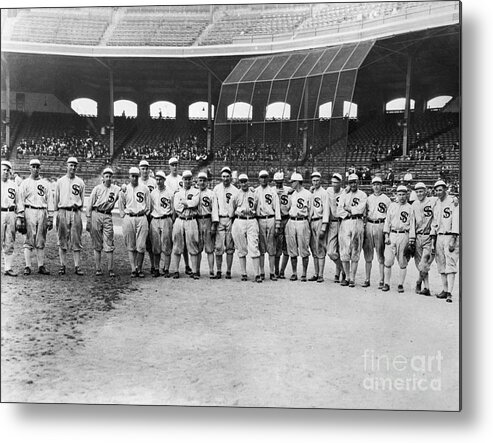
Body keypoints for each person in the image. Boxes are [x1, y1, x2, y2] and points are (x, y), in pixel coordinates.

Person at [17, 159, 54, 276]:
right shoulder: (25, 183)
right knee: (29, 239)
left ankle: (40, 265)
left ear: (40, 168)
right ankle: (27, 266)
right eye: (33, 166)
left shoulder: (45, 183)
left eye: (37, 167)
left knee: (41, 239)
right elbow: (20, 200)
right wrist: (21, 216)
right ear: (29, 168)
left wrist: (51, 217)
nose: (35, 169)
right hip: (29, 210)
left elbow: (50, 201)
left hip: (42, 211)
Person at [86, 167, 120, 277]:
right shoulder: (97, 189)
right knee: (97, 243)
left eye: (110, 176)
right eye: (106, 176)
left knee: (109, 241)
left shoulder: (115, 189)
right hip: (96, 213)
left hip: (107, 215)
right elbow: (89, 205)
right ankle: (98, 268)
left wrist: (124, 187)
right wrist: (88, 219)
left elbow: (124, 190)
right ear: (103, 178)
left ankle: (110, 269)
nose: (108, 178)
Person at [54, 157, 85, 276]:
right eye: (71, 165)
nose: (73, 167)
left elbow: (82, 199)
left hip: (75, 211)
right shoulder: (60, 181)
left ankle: (77, 266)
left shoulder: (80, 182)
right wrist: (56, 213)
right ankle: (62, 265)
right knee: (62, 239)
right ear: (66, 166)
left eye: (75, 165)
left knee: (76, 239)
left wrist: (79, 211)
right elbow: (56, 198)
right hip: (63, 211)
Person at [382, 185, 415, 293]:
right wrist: (386, 235)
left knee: (402, 261)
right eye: (399, 194)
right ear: (396, 195)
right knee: (388, 260)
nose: (401, 197)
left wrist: (411, 240)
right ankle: (386, 283)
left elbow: (412, 225)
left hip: (403, 234)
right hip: (392, 234)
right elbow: (387, 221)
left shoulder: (410, 208)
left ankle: (400, 284)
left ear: (407, 195)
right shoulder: (392, 206)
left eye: (403, 194)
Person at [337, 173, 367, 287]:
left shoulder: (362, 195)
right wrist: (348, 211)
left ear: (358, 182)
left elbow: (360, 209)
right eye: (351, 182)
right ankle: (347, 276)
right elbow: (339, 210)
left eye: (355, 182)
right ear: (348, 183)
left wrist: (349, 208)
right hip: (345, 222)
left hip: (357, 221)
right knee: (344, 251)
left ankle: (352, 278)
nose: (353, 184)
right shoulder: (344, 194)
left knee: (355, 250)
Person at [431, 180, 460, 302]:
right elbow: (434, 222)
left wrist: (454, 237)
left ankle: (450, 292)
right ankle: (444, 289)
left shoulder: (453, 201)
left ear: (445, 189)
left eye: (440, 189)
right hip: (439, 236)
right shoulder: (436, 203)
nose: (438, 192)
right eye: (436, 190)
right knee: (441, 263)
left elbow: (456, 220)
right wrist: (433, 239)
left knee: (450, 263)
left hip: (450, 235)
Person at [119, 166, 150, 278]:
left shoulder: (144, 188)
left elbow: (148, 204)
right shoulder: (125, 189)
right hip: (129, 216)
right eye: (132, 176)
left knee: (141, 246)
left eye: (136, 176)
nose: (135, 178)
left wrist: (144, 213)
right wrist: (124, 215)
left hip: (141, 216)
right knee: (131, 245)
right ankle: (133, 269)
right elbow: (121, 204)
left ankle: (139, 268)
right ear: (129, 177)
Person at [231, 173, 261, 282]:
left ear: (248, 181)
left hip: (251, 220)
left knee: (254, 246)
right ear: (239, 183)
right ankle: (243, 273)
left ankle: (257, 274)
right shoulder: (236, 194)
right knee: (241, 248)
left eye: (245, 181)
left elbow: (257, 207)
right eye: (241, 181)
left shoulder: (254, 193)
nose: (243, 183)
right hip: (239, 220)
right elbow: (232, 209)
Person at [170, 170, 200, 279]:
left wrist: (185, 202)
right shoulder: (177, 193)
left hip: (191, 219)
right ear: (182, 180)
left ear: (192, 180)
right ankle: (176, 270)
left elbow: (195, 203)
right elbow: (177, 207)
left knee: (192, 245)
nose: (187, 181)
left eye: (189, 179)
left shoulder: (196, 191)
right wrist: (188, 203)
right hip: (180, 219)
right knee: (177, 245)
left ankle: (195, 271)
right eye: (185, 179)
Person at [362, 176, 391, 288]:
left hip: (381, 224)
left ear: (381, 185)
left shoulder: (386, 199)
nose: (376, 186)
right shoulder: (368, 198)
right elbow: (364, 214)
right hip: (369, 224)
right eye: (374, 184)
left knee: (381, 254)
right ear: (371, 186)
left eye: (378, 184)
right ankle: (367, 279)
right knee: (368, 255)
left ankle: (381, 280)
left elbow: (389, 216)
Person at [212, 166, 238, 279]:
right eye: (223, 176)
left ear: (231, 177)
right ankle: (218, 271)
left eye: (227, 176)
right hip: (219, 219)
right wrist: (214, 222)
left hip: (230, 219)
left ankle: (228, 271)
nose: (225, 178)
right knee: (218, 247)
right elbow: (214, 207)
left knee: (230, 246)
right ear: (220, 177)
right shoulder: (216, 189)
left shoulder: (235, 190)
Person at [285, 172, 312, 282]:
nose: (291, 184)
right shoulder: (292, 193)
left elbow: (310, 211)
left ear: (298, 182)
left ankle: (304, 273)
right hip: (292, 220)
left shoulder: (307, 194)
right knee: (292, 248)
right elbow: (287, 207)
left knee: (304, 248)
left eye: (293, 182)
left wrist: (306, 222)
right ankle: (294, 272)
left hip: (302, 221)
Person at [255, 170, 281, 281]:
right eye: (262, 177)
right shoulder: (255, 191)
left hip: (271, 218)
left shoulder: (272, 191)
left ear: (268, 179)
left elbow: (277, 208)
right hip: (260, 219)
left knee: (271, 247)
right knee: (261, 247)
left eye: (265, 177)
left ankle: (271, 272)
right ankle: (261, 272)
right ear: (259, 178)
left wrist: (277, 224)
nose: (264, 179)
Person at [149, 170, 175, 278]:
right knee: (156, 246)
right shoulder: (153, 193)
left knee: (167, 245)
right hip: (155, 219)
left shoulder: (170, 192)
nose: (158, 181)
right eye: (157, 179)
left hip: (166, 218)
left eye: (160, 179)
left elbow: (173, 208)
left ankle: (166, 268)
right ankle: (156, 268)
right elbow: (150, 208)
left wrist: (171, 221)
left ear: (164, 180)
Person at [308, 171, 329, 283]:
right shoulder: (313, 192)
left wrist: (324, 226)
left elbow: (326, 210)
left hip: (320, 220)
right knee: (314, 248)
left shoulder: (324, 193)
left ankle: (321, 274)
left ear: (320, 181)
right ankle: (316, 273)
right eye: (313, 180)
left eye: (317, 180)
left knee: (320, 248)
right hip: (312, 221)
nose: (315, 182)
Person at [138, 159, 158, 275]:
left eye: (146, 168)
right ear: (140, 169)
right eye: (143, 168)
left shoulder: (153, 182)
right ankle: (138, 266)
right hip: (141, 215)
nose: (145, 171)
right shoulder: (137, 181)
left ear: (149, 170)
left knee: (151, 242)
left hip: (151, 215)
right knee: (140, 242)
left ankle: (153, 265)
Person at [196, 171, 217, 278]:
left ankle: (211, 270)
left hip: (208, 219)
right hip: (197, 220)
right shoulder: (194, 192)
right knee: (198, 247)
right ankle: (197, 270)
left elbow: (214, 210)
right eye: (200, 180)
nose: (202, 182)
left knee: (209, 248)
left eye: (204, 180)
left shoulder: (211, 193)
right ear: (197, 182)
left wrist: (214, 224)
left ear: (207, 182)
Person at [1, 160, 19, 276]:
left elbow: (19, 202)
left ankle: (8, 268)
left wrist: (19, 216)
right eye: (4, 170)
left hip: (11, 213)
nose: (6, 172)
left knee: (9, 241)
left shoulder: (13, 185)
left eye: (8, 170)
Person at [326, 173, 345, 283]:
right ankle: (344, 271)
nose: (334, 184)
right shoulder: (328, 191)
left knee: (341, 250)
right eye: (333, 182)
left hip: (342, 222)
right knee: (331, 251)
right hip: (333, 223)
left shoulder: (344, 192)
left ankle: (338, 274)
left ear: (340, 183)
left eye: (336, 182)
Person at [273, 171, 292, 279]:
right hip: (276, 220)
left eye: (280, 182)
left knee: (287, 246)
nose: (278, 184)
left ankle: (282, 271)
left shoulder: (288, 190)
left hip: (286, 218)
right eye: (277, 182)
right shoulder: (271, 190)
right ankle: (276, 270)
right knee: (277, 246)